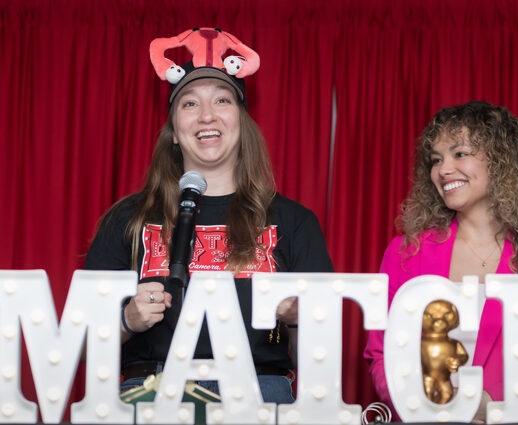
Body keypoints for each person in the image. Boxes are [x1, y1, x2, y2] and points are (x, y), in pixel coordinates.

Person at [84, 28, 333, 404]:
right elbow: (82, 341)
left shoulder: (294, 221)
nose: (206, 116)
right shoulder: (128, 219)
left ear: (242, 122)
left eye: (221, 100)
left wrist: (299, 320)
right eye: (189, 104)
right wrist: (126, 321)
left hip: (260, 393)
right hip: (151, 390)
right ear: (172, 131)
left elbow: (323, 361)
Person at [363, 101, 518, 422]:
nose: (443, 169)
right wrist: (436, 408)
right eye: (436, 159)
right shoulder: (406, 252)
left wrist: (495, 404)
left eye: (460, 154)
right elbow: (381, 355)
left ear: (502, 162)